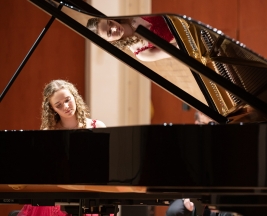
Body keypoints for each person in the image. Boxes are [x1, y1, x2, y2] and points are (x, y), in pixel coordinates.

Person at [17, 79, 106, 216]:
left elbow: (104, 168)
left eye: (67, 100)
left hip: (89, 193)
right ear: (52, 109)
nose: (65, 106)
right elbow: (42, 171)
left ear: (74, 96)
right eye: (58, 105)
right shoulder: (49, 133)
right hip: (58, 194)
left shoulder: (97, 127)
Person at [87, 16, 177, 62]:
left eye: (110, 23)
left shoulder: (132, 14)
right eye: (109, 33)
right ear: (109, 42)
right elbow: (176, 49)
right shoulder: (141, 53)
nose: (114, 28)